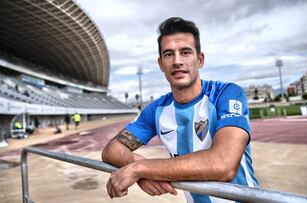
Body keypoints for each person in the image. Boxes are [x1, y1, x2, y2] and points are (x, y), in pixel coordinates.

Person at [102, 17, 259, 202]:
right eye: (168, 54)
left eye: (185, 52)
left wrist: (139, 169)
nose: (177, 61)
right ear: (161, 64)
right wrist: (140, 170)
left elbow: (223, 164)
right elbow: (111, 150)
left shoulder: (226, 94)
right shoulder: (156, 110)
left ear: (199, 60)